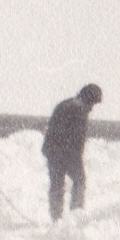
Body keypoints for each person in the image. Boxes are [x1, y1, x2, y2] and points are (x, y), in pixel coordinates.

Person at [42, 82, 102, 220]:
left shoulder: (65, 104)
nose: (92, 108)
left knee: (57, 186)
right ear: (88, 99)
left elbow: (52, 129)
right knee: (79, 181)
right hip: (66, 153)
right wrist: (77, 160)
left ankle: (56, 219)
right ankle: (76, 217)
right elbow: (77, 140)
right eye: (93, 103)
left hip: (52, 151)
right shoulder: (79, 109)